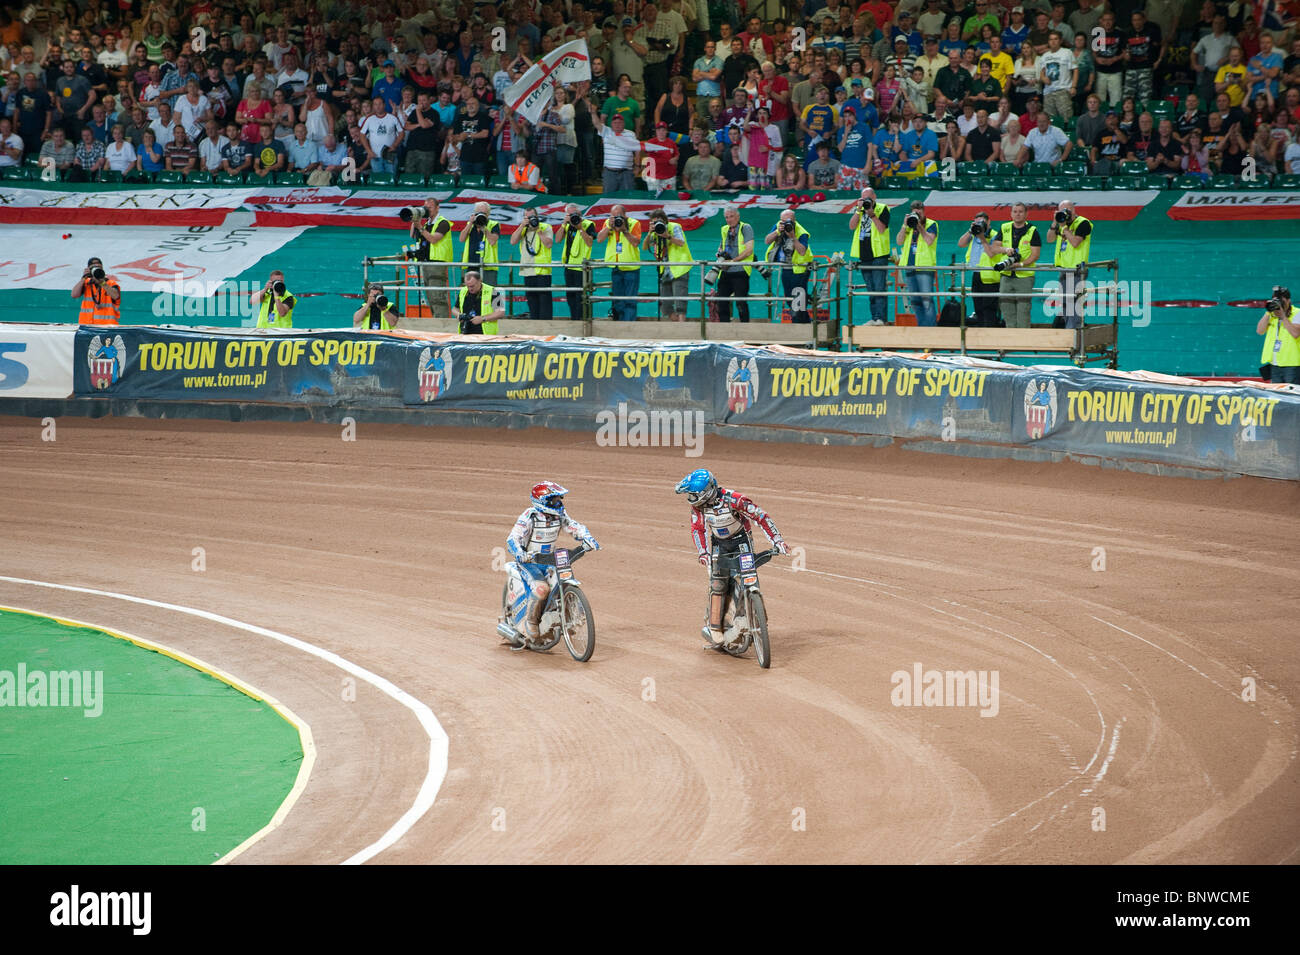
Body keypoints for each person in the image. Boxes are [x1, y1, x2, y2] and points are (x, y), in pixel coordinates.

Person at [673, 469, 789, 649]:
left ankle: (750, 612)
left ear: (706, 492)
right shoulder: (698, 507)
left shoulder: (735, 500)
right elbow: (698, 529)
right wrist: (703, 552)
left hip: (742, 541)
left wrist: (777, 540)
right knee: (718, 584)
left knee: (747, 576)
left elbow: (760, 516)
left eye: (693, 494)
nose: (690, 498)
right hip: (719, 545)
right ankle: (714, 629)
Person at [502, 482, 601, 645]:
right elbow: (513, 538)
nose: (558, 502)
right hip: (530, 562)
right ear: (542, 501)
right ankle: (531, 623)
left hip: (550, 560)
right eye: (553, 499)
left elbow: (574, 527)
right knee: (542, 589)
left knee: (562, 579)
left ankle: (566, 613)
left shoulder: (559, 516)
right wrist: (520, 553)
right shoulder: (529, 516)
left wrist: (587, 539)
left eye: (558, 499)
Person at [1045, 198, 1092, 329]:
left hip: (1077, 270)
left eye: (1068, 210)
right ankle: (1068, 330)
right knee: (1065, 302)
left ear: (1074, 210)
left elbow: (1075, 243)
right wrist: (1055, 222)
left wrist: (1064, 227)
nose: (1066, 213)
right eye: (1062, 211)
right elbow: (1049, 239)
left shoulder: (1083, 223)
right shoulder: (1060, 223)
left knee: (1075, 302)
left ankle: (1074, 331)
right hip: (1063, 270)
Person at [997, 201, 1042, 328]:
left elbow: (1035, 255)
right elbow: (995, 246)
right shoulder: (1004, 227)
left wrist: (1021, 264)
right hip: (1006, 275)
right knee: (1006, 306)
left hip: (1024, 277)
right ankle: (1011, 336)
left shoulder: (1033, 231)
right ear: (1011, 214)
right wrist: (1005, 250)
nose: (1017, 214)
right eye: (1015, 211)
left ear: (1026, 214)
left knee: (1024, 308)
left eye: (1020, 212)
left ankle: (1024, 338)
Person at [850, 187, 892, 326]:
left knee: (879, 288)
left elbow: (881, 229)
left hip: (879, 254)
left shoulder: (882, 208)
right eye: (864, 198)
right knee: (870, 289)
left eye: (869, 198)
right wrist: (858, 210)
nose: (867, 201)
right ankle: (874, 318)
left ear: (874, 197)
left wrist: (872, 214)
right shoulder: (859, 210)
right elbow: (851, 226)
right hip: (864, 255)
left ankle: (881, 318)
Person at [765, 208, 815, 324]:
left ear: (794, 221)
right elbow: (767, 241)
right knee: (789, 297)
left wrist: (793, 237)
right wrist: (777, 231)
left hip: (800, 269)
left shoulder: (801, 231)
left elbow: (802, 251)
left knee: (798, 299)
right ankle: (805, 321)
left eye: (789, 221)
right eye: (783, 221)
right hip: (786, 268)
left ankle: (799, 323)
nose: (786, 224)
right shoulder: (778, 226)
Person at [643, 208, 691, 323]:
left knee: (680, 302)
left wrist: (667, 236)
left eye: (659, 221)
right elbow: (644, 247)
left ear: (665, 221)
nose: (657, 224)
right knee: (665, 306)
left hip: (679, 268)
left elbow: (681, 242)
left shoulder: (674, 227)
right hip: (664, 271)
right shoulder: (654, 233)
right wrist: (650, 232)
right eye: (654, 222)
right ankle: (677, 328)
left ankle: (682, 328)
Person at [896, 198, 939, 326]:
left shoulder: (932, 224)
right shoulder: (909, 225)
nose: (917, 215)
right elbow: (899, 241)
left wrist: (919, 226)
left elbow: (929, 241)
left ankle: (931, 329)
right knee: (915, 301)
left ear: (923, 212)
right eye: (915, 213)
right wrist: (905, 225)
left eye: (919, 213)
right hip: (909, 267)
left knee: (927, 301)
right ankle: (922, 328)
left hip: (924, 267)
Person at [410, 197, 455, 318]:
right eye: (425, 207)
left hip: (437, 263)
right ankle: (436, 319)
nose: (427, 210)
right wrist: (415, 219)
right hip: (425, 262)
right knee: (430, 295)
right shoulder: (426, 224)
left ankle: (443, 321)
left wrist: (420, 227)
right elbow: (412, 235)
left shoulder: (443, 222)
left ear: (437, 208)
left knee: (437, 295)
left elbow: (434, 239)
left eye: (429, 207)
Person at [957, 211, 1003, 327]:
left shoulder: (995, 235)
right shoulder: (973, 234)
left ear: (988, 222)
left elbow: (992, 254)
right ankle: (982, 333)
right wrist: (970, 230)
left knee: (989, 308)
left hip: (990, 276)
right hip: (976, 274)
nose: (980, 225)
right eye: (977, 223)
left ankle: (990, 334)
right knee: (978, 307)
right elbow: (961, 244)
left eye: (982, 222)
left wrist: (982, 237)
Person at [598, 204, 642, 322]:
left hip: (631, 267)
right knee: (618, 300)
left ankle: (629, 325)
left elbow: (636, 242)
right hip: (616, 267)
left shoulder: (634, 223)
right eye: (614, 216)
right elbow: (599, 239)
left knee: (630, 300)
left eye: (619, 216)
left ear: (625, 215)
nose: (617, 218)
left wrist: (624, 230)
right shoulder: (608, 223)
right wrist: (608, 227)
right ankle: (619, 324)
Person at [557, 203, 598, 321]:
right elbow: (558, 239)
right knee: (570, 296)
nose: (573, 217)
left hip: (582, 267)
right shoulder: (567, 225)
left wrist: (580, 229)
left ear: (580, 214)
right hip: (569, 266)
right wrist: (564, 224)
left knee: (581, 297)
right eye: (570, 215)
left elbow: (590, 243)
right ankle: (574, 319)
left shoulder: (588, 224)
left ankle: (583, 320)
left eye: (575, 214)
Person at [512, 209, 555, 321]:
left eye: (532, 217)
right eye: (527, 217)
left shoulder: (545, 227)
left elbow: (549, 244)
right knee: (531, 300)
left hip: (542, 270)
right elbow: (513, 241)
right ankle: (534, 324)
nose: (531, 219)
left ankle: (546, 326)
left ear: (537, 216)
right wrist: (522, 226)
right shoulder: (523, 229)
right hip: (528, 270)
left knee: (544, 301)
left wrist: (539, 232)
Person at [714, 205, 754, 324]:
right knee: (721, 301)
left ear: (738, 216)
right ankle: (724, 329)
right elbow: (721, 246)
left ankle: (745, 328)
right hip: (725, 271)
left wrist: (733, 261)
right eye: (726, 217)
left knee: (740, 302)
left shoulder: (746, 227)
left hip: (741, 271)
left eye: (731, 216)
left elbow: (749, 250)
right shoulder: (724, 229)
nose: (729, 219)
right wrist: (719, 253)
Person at [1257, 287, 1300, 384]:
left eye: (1282, 301)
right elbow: (1260, 331)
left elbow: (1295, 333)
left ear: (1289, 301)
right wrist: (1268, 312)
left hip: (1292, 364)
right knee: (1277, 395)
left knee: (1292, 396)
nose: (1279, 303)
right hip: (1275, 364)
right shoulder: (1271, 315)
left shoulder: (1298, 313)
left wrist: (1283, 316)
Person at [591, 106, 639, 192]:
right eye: (615, 123)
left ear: (624, 124)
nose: (617, 124)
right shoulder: (606, 132)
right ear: (611, 124)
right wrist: (593, 113)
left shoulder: (631, 134)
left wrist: (637, 166)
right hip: (610, 173)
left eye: (620, 123)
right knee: (608, 200)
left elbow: (637, 150)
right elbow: (596, 123)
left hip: (626, 173)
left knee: (628, 199)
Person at [461, 201, 501, 288]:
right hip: (471, 264)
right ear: (475, 214)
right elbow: (461, 239)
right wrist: (471, 223)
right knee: (471, 292)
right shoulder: (470, 225)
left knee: (489, 293)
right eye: (479, 213)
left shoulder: (493, 225)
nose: (481, 215)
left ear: (488, 214)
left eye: (484, 213)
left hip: (488, 266)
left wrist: (484, 227)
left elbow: (492, 241)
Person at [451, 269, 504, 335]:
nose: (470, 289)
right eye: (467, 286)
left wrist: (482, 319)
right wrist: (459, 315)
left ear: (480, 281)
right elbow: (455, 309)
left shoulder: (493, 291)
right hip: (465, 333)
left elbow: (500, 313)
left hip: (485, 335)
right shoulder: (463, 291)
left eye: (472, 286)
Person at [72, 256, 120, 325]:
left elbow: (115, 296)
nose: (96, 270)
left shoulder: (111, 283)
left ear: (102, 269)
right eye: (93, 268)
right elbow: (74, 295)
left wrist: (102, 283)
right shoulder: (86, 283)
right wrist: (83, 278)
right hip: (86, 326)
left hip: (107, 327)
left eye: (98, 268)